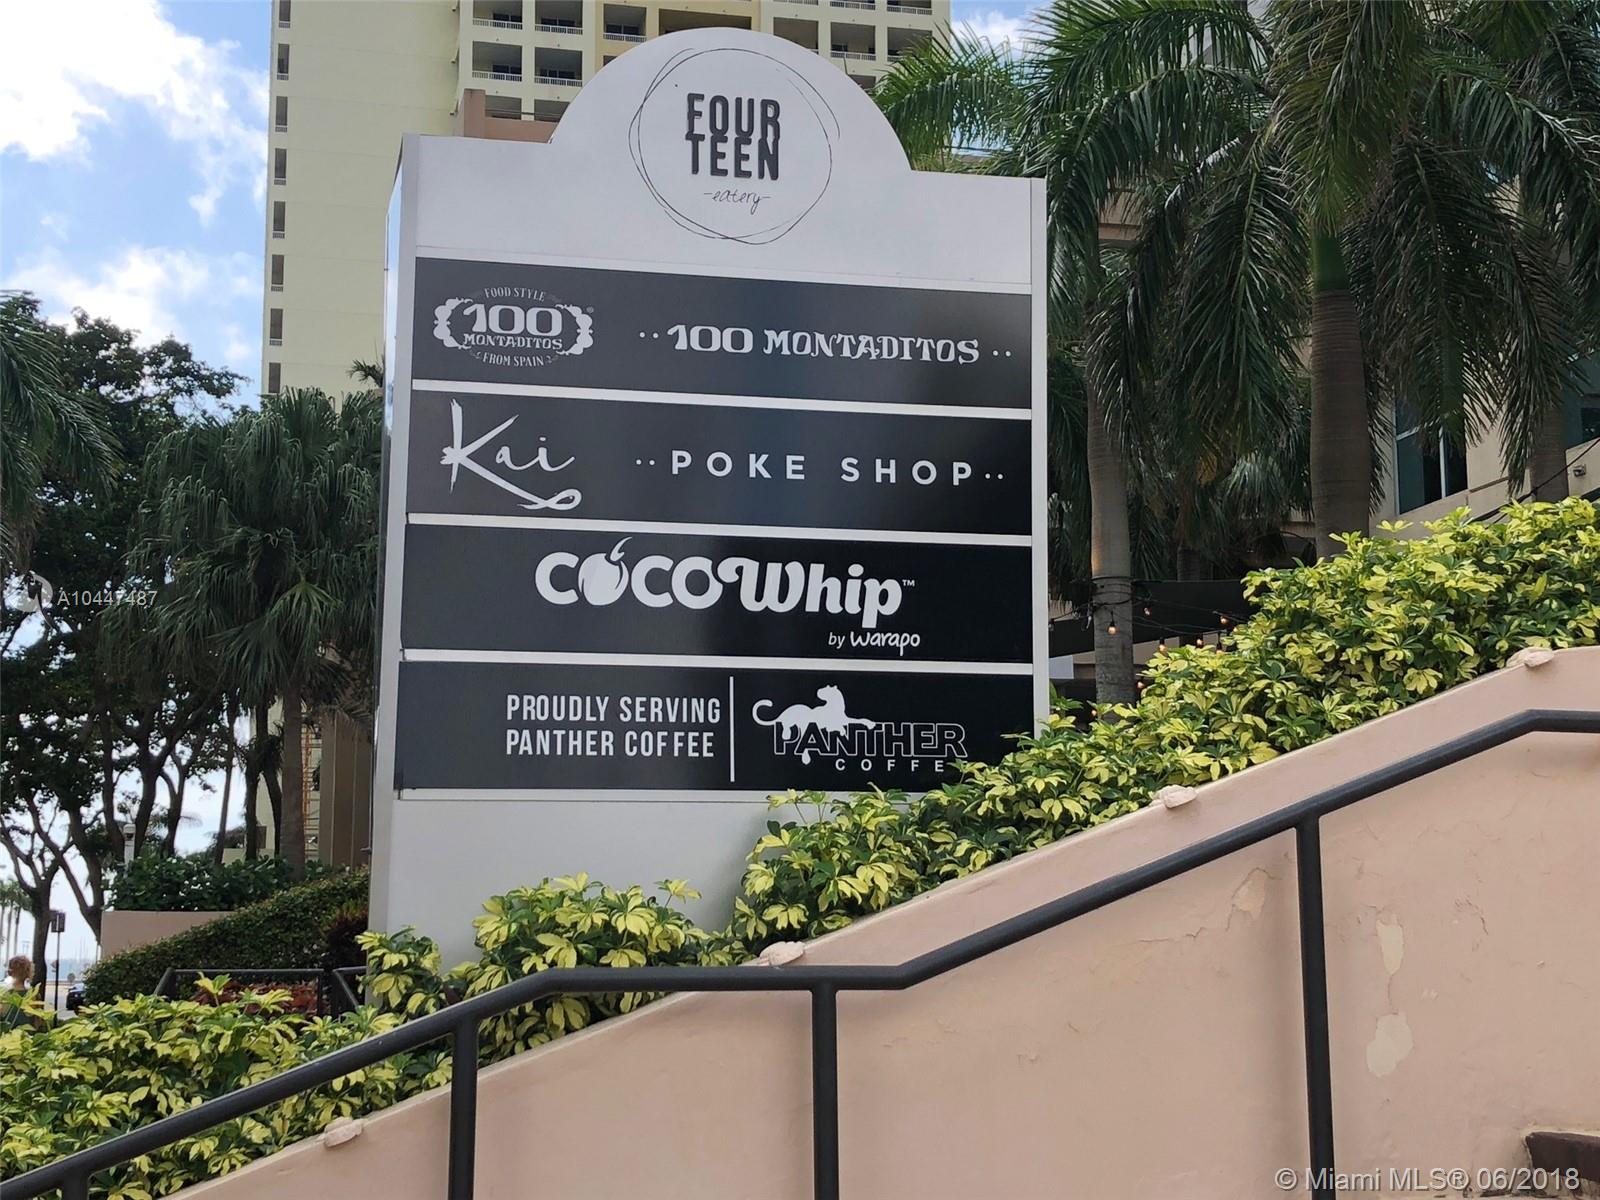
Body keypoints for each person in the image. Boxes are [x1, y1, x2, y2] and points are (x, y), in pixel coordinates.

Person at [2, 954, 34, 1030]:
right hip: (26, 1035)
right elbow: (36, 1021)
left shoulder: (6, 994)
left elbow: (2, 1013)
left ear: (10, 972)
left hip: (8, 1034)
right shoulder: (32, 995)